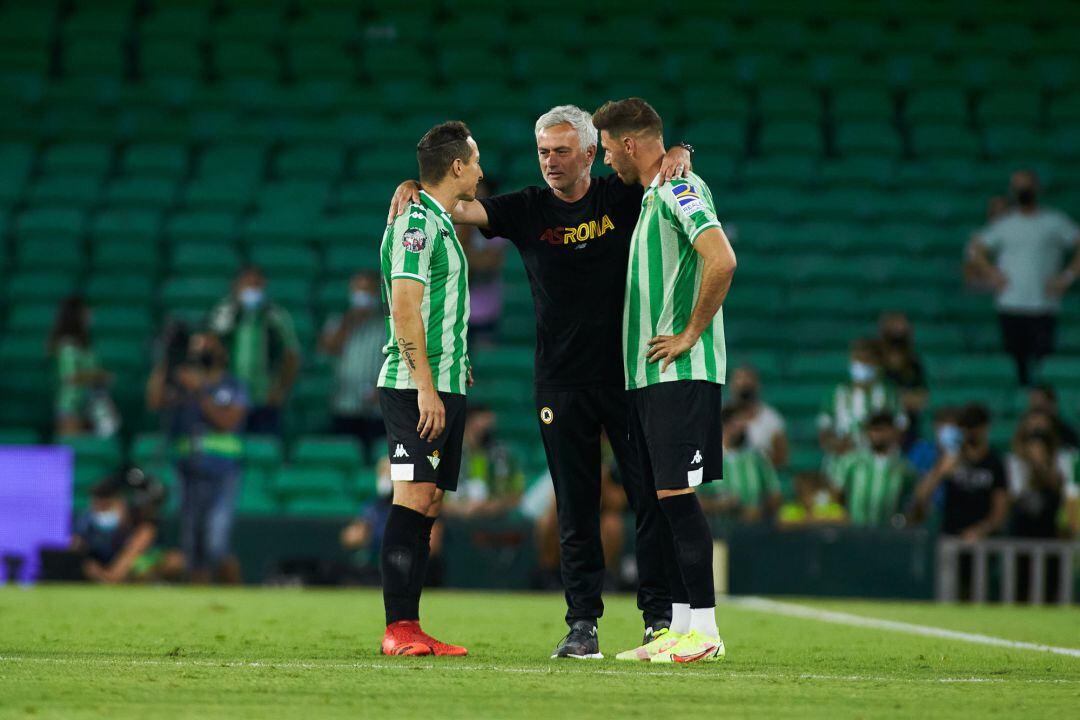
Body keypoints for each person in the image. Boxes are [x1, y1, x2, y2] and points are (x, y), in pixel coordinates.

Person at [386, 105, 694, 660]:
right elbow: (451, 201)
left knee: (648, 498)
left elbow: (660, 170)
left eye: (561, 151)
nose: (550, 162)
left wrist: (680, 153)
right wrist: (412, 182)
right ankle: (582, 626)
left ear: (590, 154)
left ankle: (658, 620)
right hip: (559, 382)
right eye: (543, 152)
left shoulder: (619, 197)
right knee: (574, 506)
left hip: (627, 374)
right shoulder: (527, 208)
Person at [594, 97, 736, 664]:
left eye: (608, 150)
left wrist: (689, 334)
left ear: (630, 144)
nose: (607, 162)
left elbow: (721, 259)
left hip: (681, 371)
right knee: (666, 498)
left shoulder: (679, 189)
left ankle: (705, 629)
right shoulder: (656, 191)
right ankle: (680, 628)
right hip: (652, 379)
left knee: (678, 498)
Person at [376, 121, 481, 658]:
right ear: (458, 166)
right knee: (413, 494)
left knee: (430, 499)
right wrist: (425, 388)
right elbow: (403, 306)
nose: (482, 171)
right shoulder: (416, 223)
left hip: (440, 382)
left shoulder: (436, 218)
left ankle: (410, 625)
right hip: (414, 386)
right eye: (476, 160)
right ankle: (398, 629)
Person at [146, 330, 247, 584]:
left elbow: (227, 421)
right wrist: (166, 362)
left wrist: (200, 390)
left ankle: (239, 599)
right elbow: (155, 401)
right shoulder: (181, 383)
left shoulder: (232, 384)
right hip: (187, 468)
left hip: (223, 470)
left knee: (216, 542)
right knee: (192, 546)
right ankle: (202, 608)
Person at [969, 170, 1080, 386]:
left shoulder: (1054, 221)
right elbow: (976, 248)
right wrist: (993, 274)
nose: (1023, 190)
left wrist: (1067, 277)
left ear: (1037, 188)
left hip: (1044, 304)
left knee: (1043, 363)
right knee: (1014, 362)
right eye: (1018, 186)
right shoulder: (1005, 224)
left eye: (1026, 185)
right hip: (1011, 303)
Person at [208, 266, 301, 435]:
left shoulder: (277, 316)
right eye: (247, 284)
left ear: (264, 286)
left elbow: (291, 355)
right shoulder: (223, 314)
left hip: (265, 397)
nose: (252, 288)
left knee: (263, 450)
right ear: (236, 286)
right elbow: (211, 348)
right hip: (229, 398)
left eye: (256, 284)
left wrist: (280, 391)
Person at [339, 458, 445, 586]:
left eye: (389, 473)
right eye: (382, 474)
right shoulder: (372, 507)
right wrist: (360, 535)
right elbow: (349, 538)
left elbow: (432, 544)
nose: (386, 478)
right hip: (376, 570)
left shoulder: (417, 504)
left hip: (410, 571)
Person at [915, 403, 1009, 543]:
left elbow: (1000, 508)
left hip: (982, 544)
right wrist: (939, 472)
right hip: (952, 539)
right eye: (966, 425)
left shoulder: (994, 463)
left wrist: (982, 529)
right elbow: (921, 496)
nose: (971, 431)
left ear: (985, 427)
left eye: (975, 425)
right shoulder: (951, 458)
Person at [319, 271, 387, 464]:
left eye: (367, 290)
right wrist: (349, 321)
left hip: (376, 408)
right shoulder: (337, 322)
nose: (362, 295)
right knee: (342, 457)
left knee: (373, 460)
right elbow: (327, 350)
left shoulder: (386, 325)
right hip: (343, 404)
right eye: (359, 290)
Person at [70, 476, 182, 583]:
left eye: (107, 507)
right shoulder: (86, 523)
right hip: (103, 570)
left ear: (122, 502)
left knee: (173, 561)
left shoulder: (144, 528)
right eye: (98, 507)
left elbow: (114, 576)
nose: (101, 512)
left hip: (122, 572)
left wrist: (104, 576)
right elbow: (81, 556)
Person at [818, 338, 905, 469]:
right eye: (857, 359)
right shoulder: (836, 394)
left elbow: (901, 429)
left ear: (878, 364)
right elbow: (824, 431)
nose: (861, 364)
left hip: (880, 468)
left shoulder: (889, 394)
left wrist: (878, 442)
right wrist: (837, 445)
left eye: (867, 360)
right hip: (841, 465)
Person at [830, 411, 916, 528]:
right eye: (873, 429)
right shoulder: (851, 462)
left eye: (881, 429)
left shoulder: (903, 468)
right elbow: (837, 494)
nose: (876, 434)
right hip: (856, 531)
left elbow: (912, 501)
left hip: (888, 534)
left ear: (892, 432)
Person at [48, 295, 119, 438]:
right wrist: (98, 376)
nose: (90, 314)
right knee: (73, 449)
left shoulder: (87, 346)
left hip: (91, 405)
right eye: (86, 311)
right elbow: (70, 377)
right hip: (71, 406)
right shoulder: (67, 345)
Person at [699, 404, 782, 522]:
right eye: (738, 424)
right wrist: (719, 505)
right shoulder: (705, 459)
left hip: (753, 530)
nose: (744, 428)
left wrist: (760, 510)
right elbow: (692, 499)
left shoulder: (757, 458)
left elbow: (774, 493)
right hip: (716, 529)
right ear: (724, 426)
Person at [442, 404, 525, 518]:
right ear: (468, 423)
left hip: (491, 520)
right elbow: (431, 495)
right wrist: (459, 509)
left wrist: (495, 505)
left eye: (489, 425)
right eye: (481, 424)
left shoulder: (501, 455)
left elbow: (517, 493)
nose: (486, 428)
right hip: (452, 519)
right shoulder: (448, 453)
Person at [455, 179, 506, 346]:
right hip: (453, 313)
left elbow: (488, 263)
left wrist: (462, 256)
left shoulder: (496, 228)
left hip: (485, 313)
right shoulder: (454, 225)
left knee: (485, 365)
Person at [877, 312, 928, 448]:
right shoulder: (877, 365)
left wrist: (891, 398)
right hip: (879, 434)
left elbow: (920, 400)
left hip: (908, 435)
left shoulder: (914, 365)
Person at [729, 365, 789, 469]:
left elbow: (782, 457)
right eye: (739, 380)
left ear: (757, 385)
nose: (743, 385)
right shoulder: (719, 416)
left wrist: (761, 461)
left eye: (748, 381)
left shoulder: (771, 419)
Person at [776, 471, 847, 529]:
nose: (807, 497)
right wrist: (811, 521)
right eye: (803, 492)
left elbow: (843, 520)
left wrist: (808, 521)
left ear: (817, 492)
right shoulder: (789, 509)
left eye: (810, 492)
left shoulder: (831, 508)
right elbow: (782, 524)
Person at [1026, 384, 1078, 449]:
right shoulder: (1024, 432)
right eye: (1034, 404)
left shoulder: (1067, 432)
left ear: (1052, 405)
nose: (1037, 409)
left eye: (1041, 404)